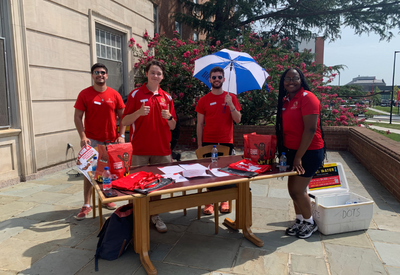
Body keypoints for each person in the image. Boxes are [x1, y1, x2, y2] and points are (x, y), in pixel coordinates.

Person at [121, 60, 176, 233]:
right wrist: (138, 113)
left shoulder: (167, 97)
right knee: (136, 186)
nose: (155, 76)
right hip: (140, 150)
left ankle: (155, 215)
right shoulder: (135, 95)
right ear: (146, 74)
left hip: (161, 150)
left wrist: (168, 117)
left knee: (159, 185)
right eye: (153, 72)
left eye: (159, 73)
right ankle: (135, 215)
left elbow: (173, 126)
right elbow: (124, 121)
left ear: (163, 76)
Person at [275, 67, 326, 239]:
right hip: (291, 151)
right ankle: (300, 220)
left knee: (299, 190)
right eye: (287, 78)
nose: (290, 81)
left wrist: (298, 157)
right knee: (292, 189)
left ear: (301, 79)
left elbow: (310, 129)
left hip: (309, 152)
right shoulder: (286, 100)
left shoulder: (308, 98)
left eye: (294, 78)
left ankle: (310, 222)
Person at [74, 63, 126, 220]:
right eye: (96, 72)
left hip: (110, 141)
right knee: (89, 173)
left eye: (102, 72)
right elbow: (77, 117)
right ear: (92, 75)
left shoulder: (114, 94)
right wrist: (83, 136)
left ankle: (107, 197)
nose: (100, 75)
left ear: (107, 75)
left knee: (107, 171)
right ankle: (87, 204)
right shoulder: (85, 94)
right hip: (92, 141)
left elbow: (123, 116)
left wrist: (121, 135)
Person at [195, 66, 242, 215]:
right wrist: (199, 145)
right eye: (214, 77)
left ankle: (224, 201)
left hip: (226, 142)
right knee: (209, 172)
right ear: (209, 80)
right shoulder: (204, 100)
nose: (216, 80)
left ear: (223, 79)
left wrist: (231, 105)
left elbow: (238, 120)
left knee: (225, 173)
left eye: (219, 77)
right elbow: (200, 124)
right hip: (209, 141)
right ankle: (209, 202)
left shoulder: (231, 97)